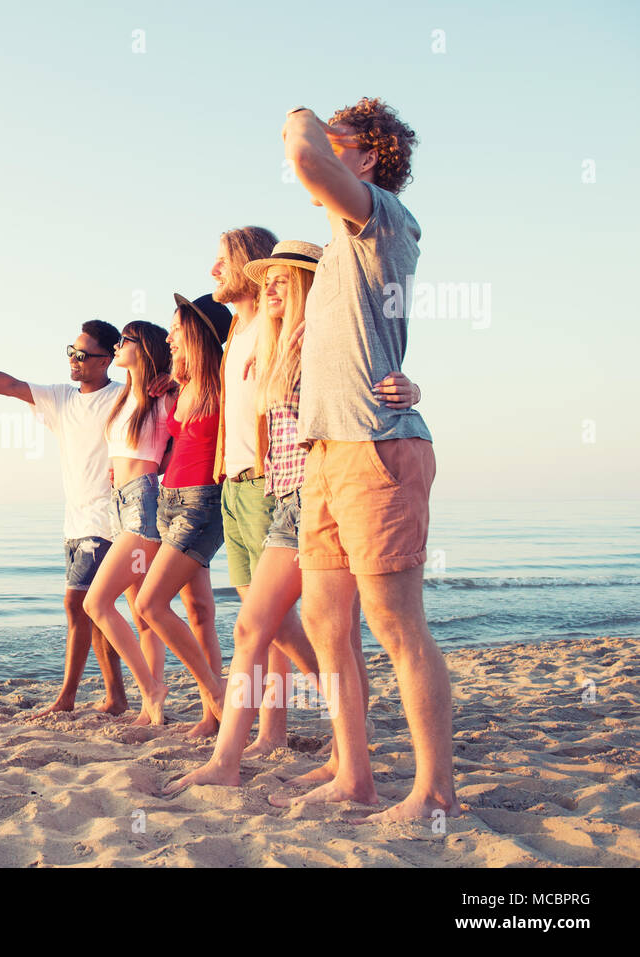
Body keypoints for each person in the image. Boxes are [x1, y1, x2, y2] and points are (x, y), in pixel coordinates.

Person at [164, 241, 421, 793]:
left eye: (283, 278)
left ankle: (228, 761)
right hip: (289, 498)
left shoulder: (322, 339)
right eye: (268, 278)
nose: (271, 286)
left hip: (314, 495)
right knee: (336, 636)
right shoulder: (278, 343)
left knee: (260, 625)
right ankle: (344, 758)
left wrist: (410, 388)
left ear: (309, 282)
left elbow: (374, 385)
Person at [280, 97, 456, 822]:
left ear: (369, 155)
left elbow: (302, 156)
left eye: (338, 139)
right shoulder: (335, 253)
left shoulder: (381, 213)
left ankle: (436, 792)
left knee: (395, 621)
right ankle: (355, 775)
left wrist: (303, 118)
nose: (322, 146)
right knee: (325, 618)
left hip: (377, 450)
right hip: (327, 450)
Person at [0, 324, 136, 717]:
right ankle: (116, 698)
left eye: (84, 354)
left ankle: (67, 698)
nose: (74, 358)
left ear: (106, 360)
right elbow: (8, 384)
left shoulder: (123, 397)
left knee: (79, 604)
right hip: (73, 523)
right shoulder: (60, 399)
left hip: (105, 522)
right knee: (96, 609)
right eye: (72, 350)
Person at [209, 226, 301, 755]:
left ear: (248, 263)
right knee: (261, 625)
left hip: (271, 483)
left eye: (222, 260)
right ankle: (269, 732)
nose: (214, 270)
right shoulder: (231, 339)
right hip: (234, 485)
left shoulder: (275, 325)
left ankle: (279, 729)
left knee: (274, 623)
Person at [128, 294, 233, 737]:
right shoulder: (181, 384)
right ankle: (212, 719)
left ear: (197, 335)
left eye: (176, 329)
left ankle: (217, 694)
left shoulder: (227, 379)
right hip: (170, 501)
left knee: (151, 604)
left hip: (203, 503)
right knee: (199, 610)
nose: (169, 337)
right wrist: (171, 383)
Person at [82, 321, 181, 725]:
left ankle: (152, 688)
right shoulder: (124, 397)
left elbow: (204, 386)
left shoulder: (164, 394)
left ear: (144, 349)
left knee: (96, 602)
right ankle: (152, 706)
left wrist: (173, 377)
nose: (118, 346)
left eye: (125, 341)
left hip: (143, 504)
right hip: (119, 505)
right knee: (140, 614)